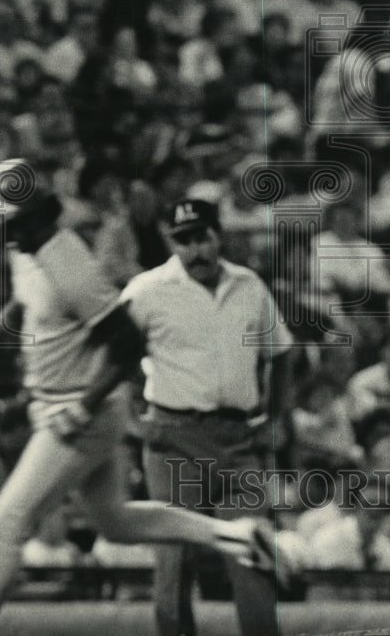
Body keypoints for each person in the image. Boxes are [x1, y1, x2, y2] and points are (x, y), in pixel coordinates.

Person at [0, 163, 278, 636]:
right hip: (64, 405)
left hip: (78, 410)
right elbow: (24, 302)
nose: (5, 235)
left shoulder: (71, 265)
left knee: (6, 521)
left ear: (24, 218)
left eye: (7, 224)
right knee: (117, 522)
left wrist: (84, 405)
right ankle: (235, 533)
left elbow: (126, 343)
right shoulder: (29, 252)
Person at [120, 197, 295, 636]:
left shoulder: (249, 285)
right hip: (174, 432)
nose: (195, 249)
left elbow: (282, 353)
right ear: (171, 243)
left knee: (251, 552)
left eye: (202, 237)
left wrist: (277, 415)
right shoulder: (147, 289)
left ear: (220, 235)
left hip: (237, 435)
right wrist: (129, 415)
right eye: (184, 241)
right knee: (175, 558)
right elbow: (111, 356)